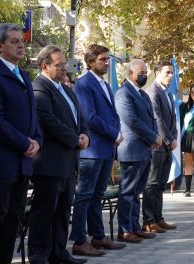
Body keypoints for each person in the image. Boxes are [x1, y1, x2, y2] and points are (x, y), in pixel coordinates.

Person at [0, 23, 42, 264]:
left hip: (21, 161)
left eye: (21, 40)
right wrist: (24, 142)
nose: (21, 45)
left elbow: (32, 116)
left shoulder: (23, 74)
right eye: (13, 41)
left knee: (13, 216)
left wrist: (37, 141)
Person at [28, 45, 89, 264]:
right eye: (59, 65)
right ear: (44, 66)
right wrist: (76, 140)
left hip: (68, 161)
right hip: (49, 163)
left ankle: (59, 251)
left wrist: (85, 136)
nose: (65, 68)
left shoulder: (66, 89)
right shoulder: (39, 88)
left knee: (63, 211)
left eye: (65, 63)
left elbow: (80, 119)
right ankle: (39, 254)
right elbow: (49, 122)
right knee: (44, 211)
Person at [70, 44, 125, 256]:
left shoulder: (104, 83)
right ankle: (78, 240)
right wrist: (114, 134)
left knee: (98, 195)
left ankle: (98, 237)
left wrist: (117, 132)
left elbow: (112, 114)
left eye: (107, 59)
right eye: (102, 59)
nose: (106, 62)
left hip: (106, 148)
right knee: (84, 195)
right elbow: (90, 118)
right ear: (90, 61)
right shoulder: (84, 84)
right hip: (92, 150)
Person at [115, 59, 162, 243]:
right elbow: (132, 121)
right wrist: (152, 137)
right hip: (132, 149)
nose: (144, 75)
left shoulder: (142, 94)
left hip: (145, 149)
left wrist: (155, 136)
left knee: (137, 192)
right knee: (128, 191)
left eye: (145, 72)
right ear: (130, 74)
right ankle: (125, 230)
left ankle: (135, 226)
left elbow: (152, 120)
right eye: (141, 72)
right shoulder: (123, 93)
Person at [142, 61, 178, 233]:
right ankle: (149, 220)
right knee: (152, 183)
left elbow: (173, 119)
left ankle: (158, 217)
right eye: (167, 72)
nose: (170, 75)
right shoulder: (152, 92)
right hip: (157, 145)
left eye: (172, 72)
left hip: (167, 146)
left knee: (161, 183)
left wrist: (174, 136)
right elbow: (157, 119)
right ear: (157, 73)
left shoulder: (168, 94)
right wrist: (169, 139)